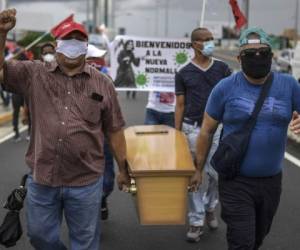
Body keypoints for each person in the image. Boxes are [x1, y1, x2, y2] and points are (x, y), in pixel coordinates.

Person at [0, 9, 130, 250]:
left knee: (85, 242)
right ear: (57, 45)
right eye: (68, 40)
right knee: (39, 237)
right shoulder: (34, 73)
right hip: (42, 180)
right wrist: (1, 33)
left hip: (85, 181)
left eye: (79, 40)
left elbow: (115, 129)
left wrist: (123, 168)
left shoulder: (102, 83)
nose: (73, 45)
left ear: (86, 45)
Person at [191, 27, 300, 250]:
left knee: (259, 236)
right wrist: (198, 170)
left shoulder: (289, 85)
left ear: (272, 56)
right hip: (235, 180)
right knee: (242, 241)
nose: (258, 58)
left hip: (272, 181)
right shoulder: (225, 88)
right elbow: (206, 131)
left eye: (264, 53)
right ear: (239, 58)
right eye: (251, 54)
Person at [175, 27, 231, 242]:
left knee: (216, 174)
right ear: (194, 44)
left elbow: (230, 98)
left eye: (211, 39)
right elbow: (180, 104)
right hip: (192, 129)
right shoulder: (183, 72)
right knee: (194, 176)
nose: (209, 43)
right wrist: (177, 133)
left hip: (217, 131)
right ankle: (196, 220)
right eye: (205, 40)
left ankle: (210, 206)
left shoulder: (223, 69)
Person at [86, 44, 115, 220]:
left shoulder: (104, 77)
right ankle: (89, 205)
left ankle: (102, 197)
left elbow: (110, 101)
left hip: (103, 135)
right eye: (93, 59)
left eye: (97, 59)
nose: (96, 62)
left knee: (108, 178)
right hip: (82, 138)